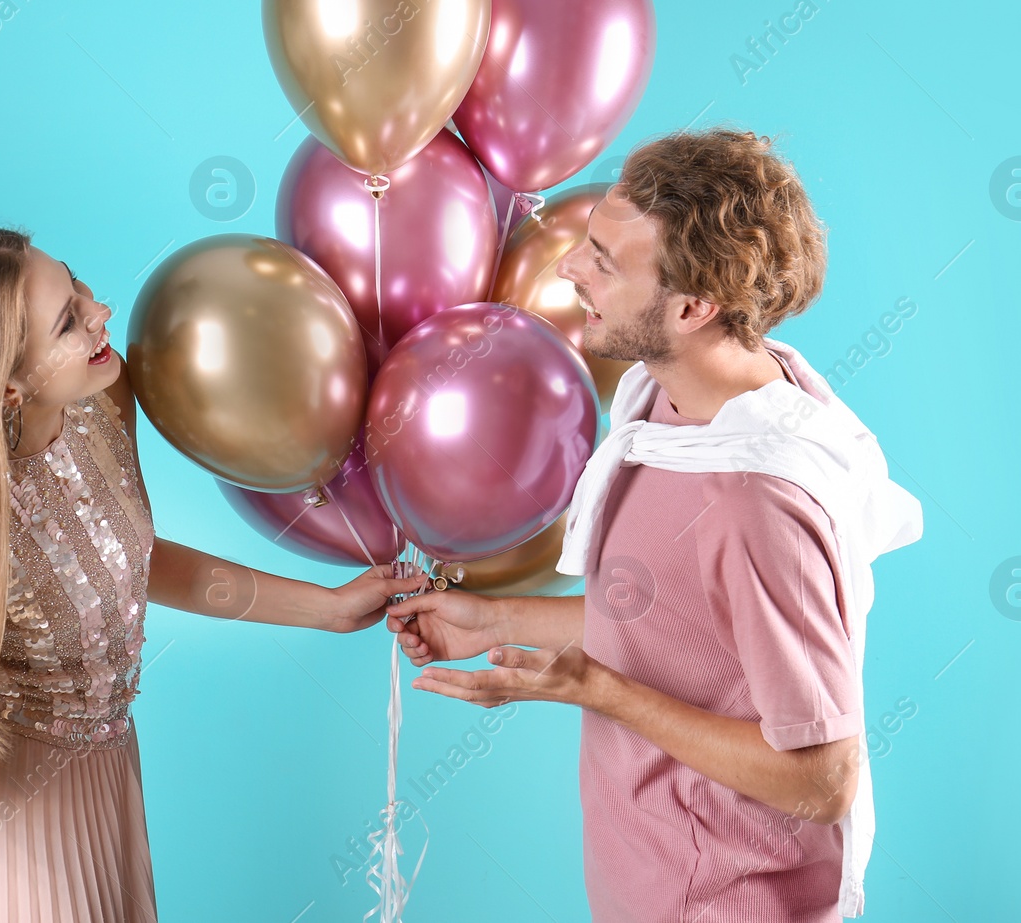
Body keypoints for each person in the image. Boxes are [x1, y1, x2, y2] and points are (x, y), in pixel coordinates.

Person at [0, 226, 424, 922]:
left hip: (108, 792)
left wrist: (327, 606)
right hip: (1, 851)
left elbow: (128, 557)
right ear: (5, 386)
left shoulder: (104, 402)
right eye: (67, 320)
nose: (101, 312)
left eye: (78, 286)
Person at [388, 128, 923, 921]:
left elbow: (822, 776)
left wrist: (600, 691)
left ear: (692, 306)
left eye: (604, 259)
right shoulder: (665, 402)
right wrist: (493, 618)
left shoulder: (755, 498)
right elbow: (677, 624)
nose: (569, 269)